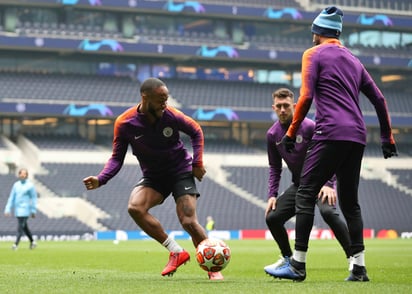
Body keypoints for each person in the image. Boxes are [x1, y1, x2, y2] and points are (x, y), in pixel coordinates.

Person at [272, 6, 397, 282]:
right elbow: (380, 100)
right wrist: (387, 137)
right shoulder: (354, 60)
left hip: (329, 132)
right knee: (351, 204)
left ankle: (297, 264)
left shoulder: (313, 54)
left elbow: (304, 97)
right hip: (357, 136)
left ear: (317, 32)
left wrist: (291, 132)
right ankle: (359, 268)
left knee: (305, 194)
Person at [82, 77, 223, 280]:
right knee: (135, 208)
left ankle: (213, 269)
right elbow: (116, 158)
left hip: (180, 170)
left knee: (189, 221)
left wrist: (197, 163)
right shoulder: (124, 123)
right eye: (160, 99)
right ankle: (176, 251)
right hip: (154, 176)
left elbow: (196, 131)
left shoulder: (171, 115)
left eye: (166, 98)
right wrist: (101, 179)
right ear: (145, 97)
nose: (165, 103)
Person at [264, 88, 351, 276]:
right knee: (272, 217)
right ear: (273, 107)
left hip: (320, 182)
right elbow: (275, 168)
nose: (282, 110)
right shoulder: (272, 135)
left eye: (286, 106)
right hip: (300, 186)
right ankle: (288, 259)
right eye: (278, 107)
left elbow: (330, 155)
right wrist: (272, 195)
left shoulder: (310, 126)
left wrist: (329, 183)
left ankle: (354, 260)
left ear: (295, 106)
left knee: (329, 213)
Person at [4, 168, 38, 250]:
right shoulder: (16, 185)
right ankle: (32, 241)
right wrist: (7, 208)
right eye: (21, 173)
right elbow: (12, 197)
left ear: (27, 175)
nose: (22, 175)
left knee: (20, 227)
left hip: (25, 210)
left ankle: (15, 244)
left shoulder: (30, 186)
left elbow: (34, 198)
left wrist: (33, 210)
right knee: (24, 227)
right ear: (19, 175)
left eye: (24, 174)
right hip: (18, 210)